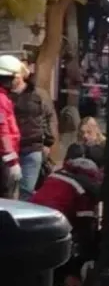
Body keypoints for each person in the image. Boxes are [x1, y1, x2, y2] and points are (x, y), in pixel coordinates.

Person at [31, 158, 102, 286]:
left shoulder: (55, 176)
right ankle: (64, 278)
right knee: (73, 243)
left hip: (34, 218)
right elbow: (84, 225)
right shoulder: (84, 188)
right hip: (55, 225)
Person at [9, 64, 57, 200]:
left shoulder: (39, 94)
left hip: (32, 147)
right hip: (10, 148)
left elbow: (50, 117)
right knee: (7, 188)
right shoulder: (5, 94)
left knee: (27, 190)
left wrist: (48, 142)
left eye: (15, 75)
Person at [0, 55, 22, 199]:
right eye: (15, 77)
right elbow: (2, 132)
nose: (17, 81)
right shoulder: (1, 100)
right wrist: (12, 162)